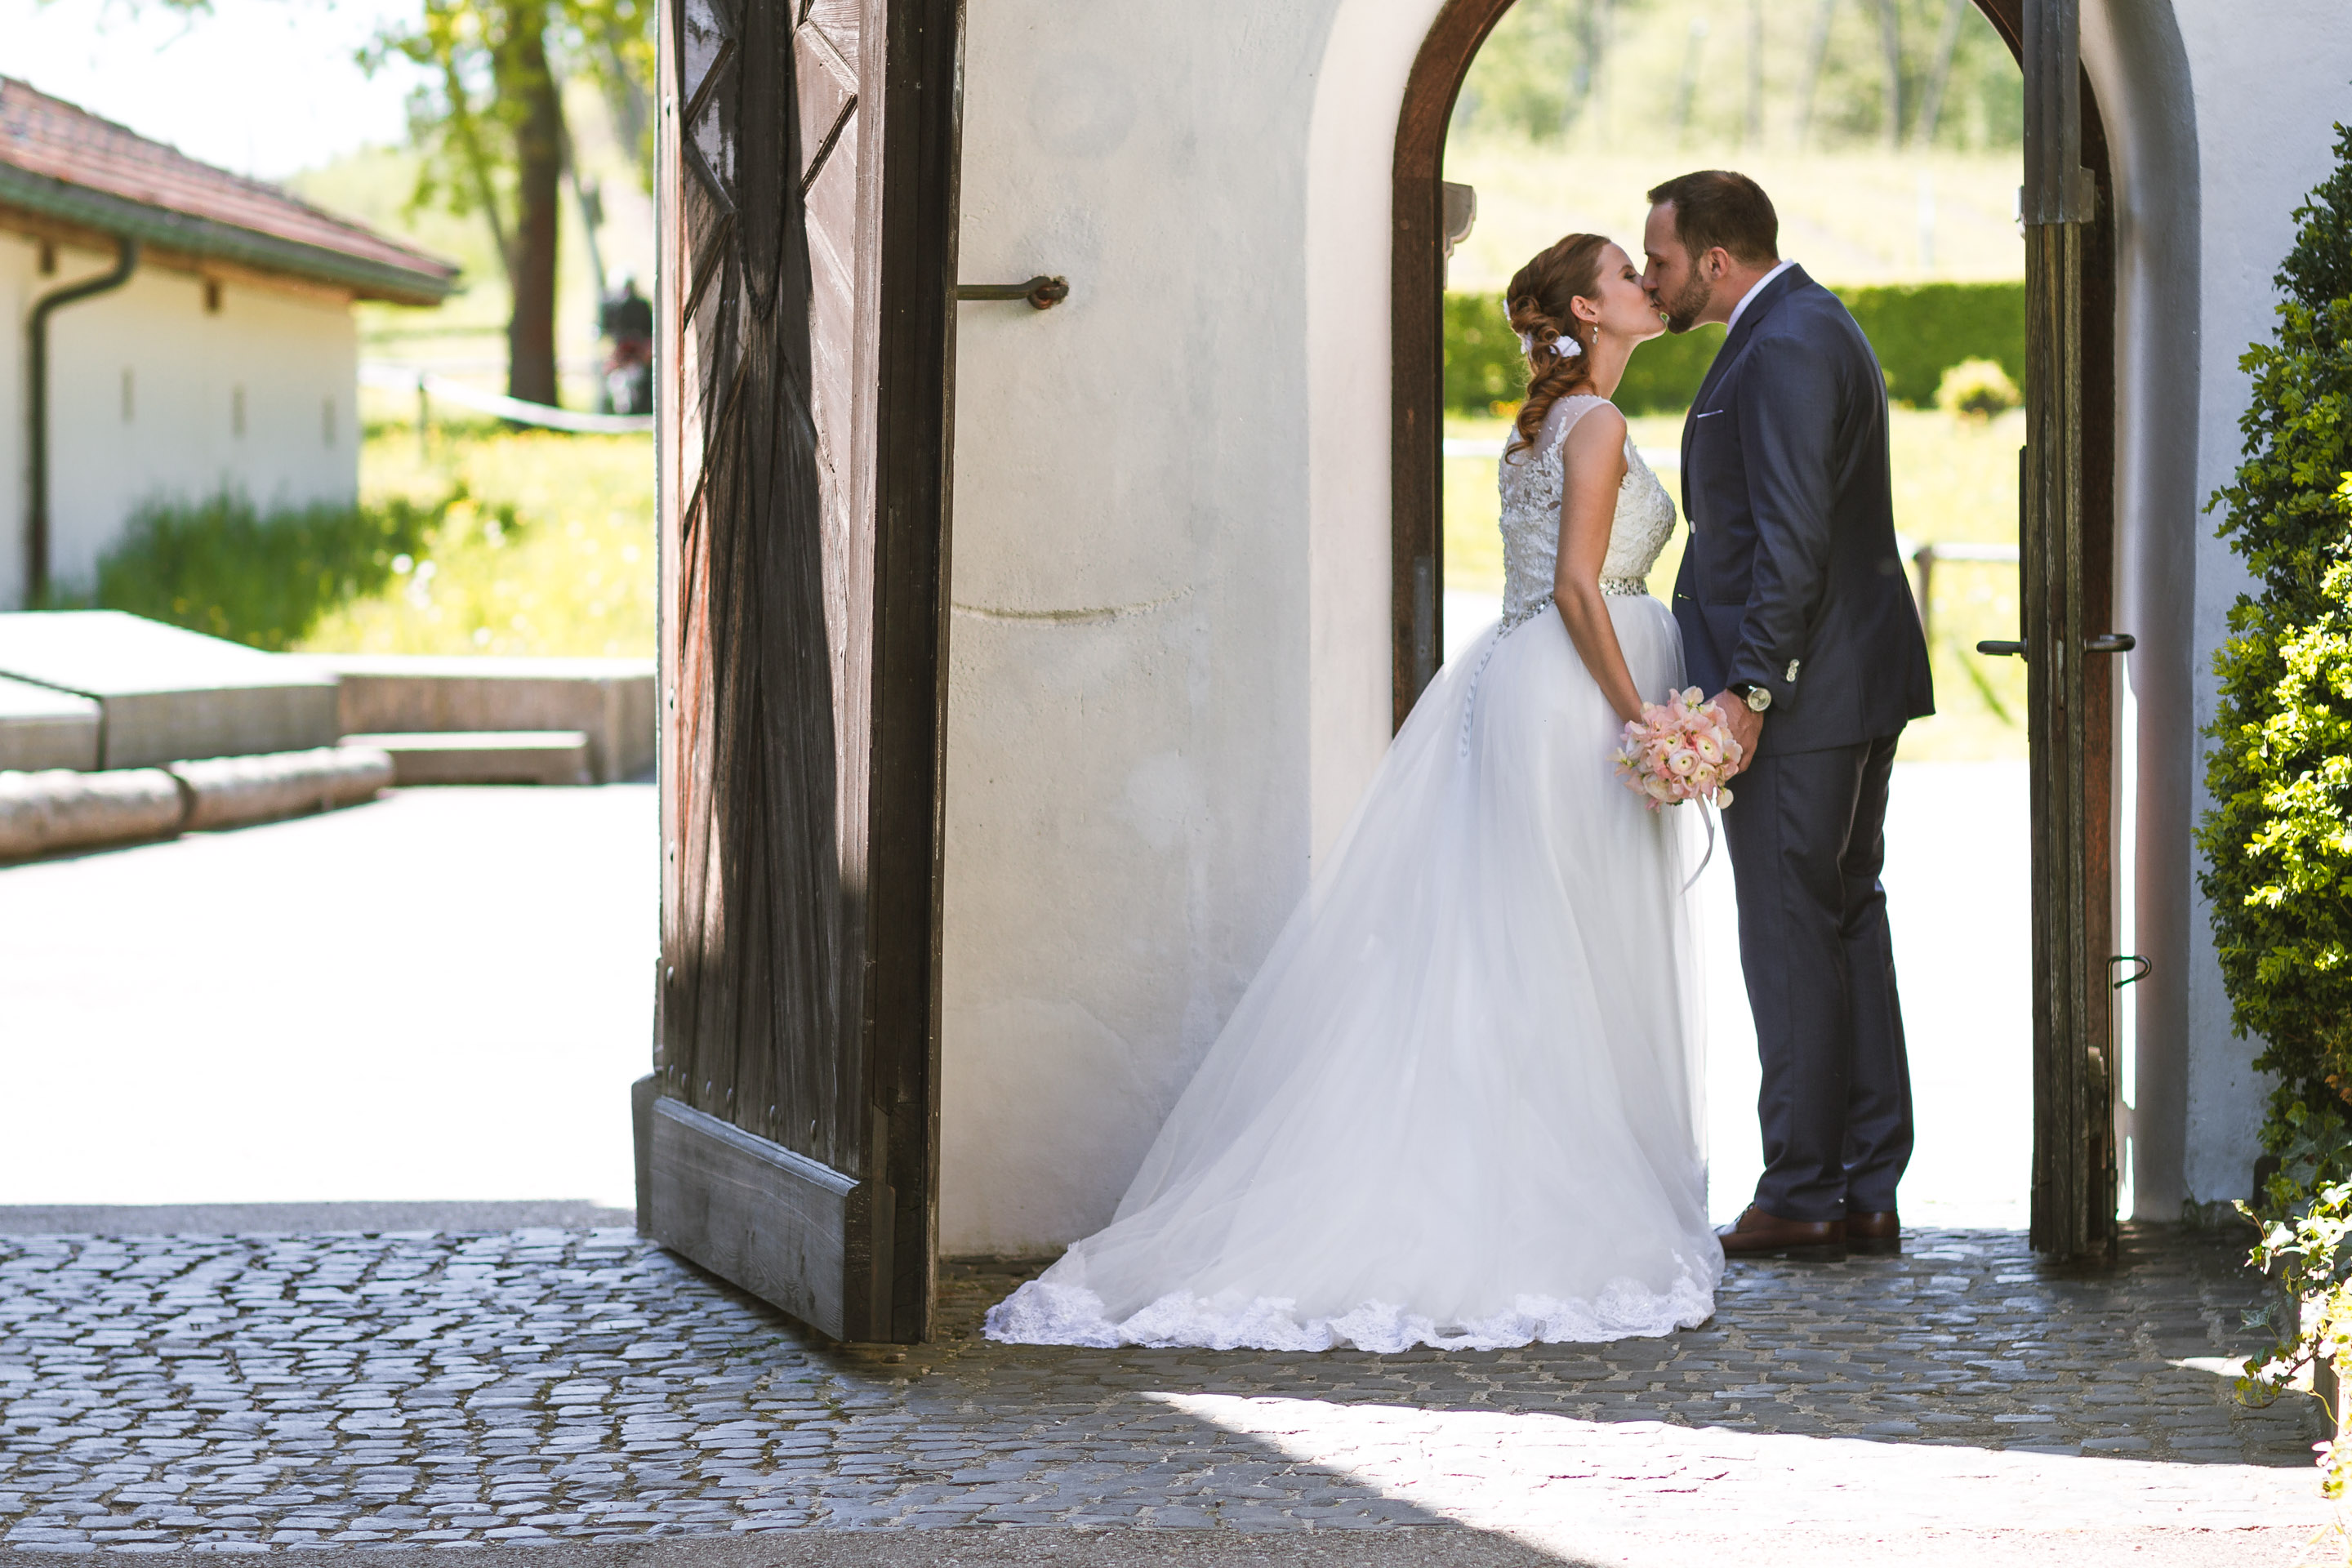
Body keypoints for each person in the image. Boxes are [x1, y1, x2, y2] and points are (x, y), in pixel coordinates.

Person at [985, 234, 1722, 1354]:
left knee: (1513, 941)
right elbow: (1580, 587)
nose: (1645, 286)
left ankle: (1507, 1161)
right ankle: (1538, 1191)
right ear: (1586, 304)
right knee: (1562, 948)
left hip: (1520, 682)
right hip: (1575, 693)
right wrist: (1643, 715)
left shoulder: (1549, 429)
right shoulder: (1601, 425)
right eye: (1628, 273)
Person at [1640, 171, 1935, 1263]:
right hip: (1841, 683)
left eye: (1662, 261)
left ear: (1716, 260)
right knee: (1841, 916)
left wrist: (1751, 691)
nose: (1656, 280)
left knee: (1793, 928)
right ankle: (1859, 1185)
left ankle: (1809, 1188)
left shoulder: (1791, 340)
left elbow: (1791, 534)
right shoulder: (1803, 326)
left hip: (1809, 694)